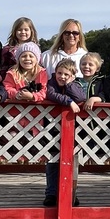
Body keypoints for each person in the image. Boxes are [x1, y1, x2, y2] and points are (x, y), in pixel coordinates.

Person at [43, 59, 86, 207]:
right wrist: (68, 101)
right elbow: (50, 94)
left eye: (66, 74)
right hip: (52, 129)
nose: (62, 76)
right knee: (52, 162)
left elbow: (80, 97)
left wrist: (69, 85)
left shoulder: (75, 85)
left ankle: (69, 193)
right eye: (59, 73)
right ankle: (51, 193)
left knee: (71, 162)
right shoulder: (51, 83)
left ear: (73, 75)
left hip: (72, 130)